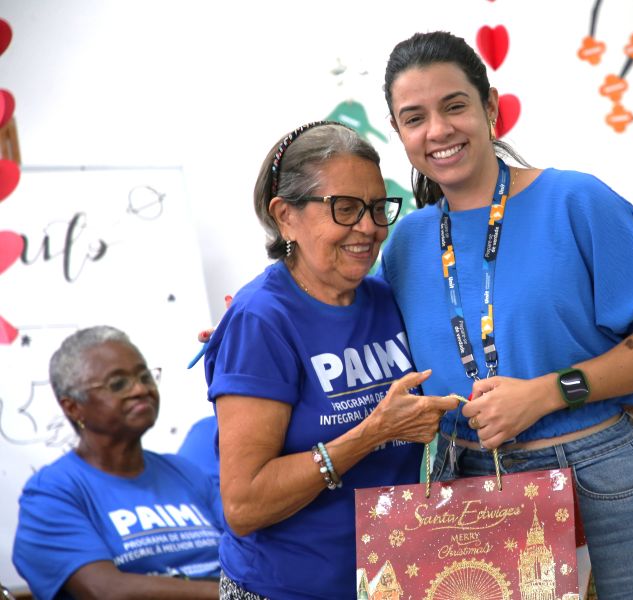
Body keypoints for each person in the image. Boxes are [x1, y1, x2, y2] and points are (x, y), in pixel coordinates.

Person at [380, 31, 633, 599]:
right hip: (464, 483)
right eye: (415, 118)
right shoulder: (404, 244)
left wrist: (549, 392)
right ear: (399, 132)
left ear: (490, 108)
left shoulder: (577, 201)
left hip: (595, 473)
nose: (438, 130)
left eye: (454, 106)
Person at [202, 121, 461, 599]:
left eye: (377, 207)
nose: (369, 227)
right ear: (285, 216)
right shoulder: (261, 320)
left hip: (391, 583)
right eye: (345, 208)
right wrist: (372, 433)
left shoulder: (388, 299)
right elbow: (243, 505)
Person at [12, 326, 222, 600]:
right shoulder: (50, 494)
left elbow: (249, 555)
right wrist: (235, 595)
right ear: (73, 407)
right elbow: (107, 591)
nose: (141, 389)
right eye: (118, 384)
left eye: (145, 376)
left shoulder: (186, 473)